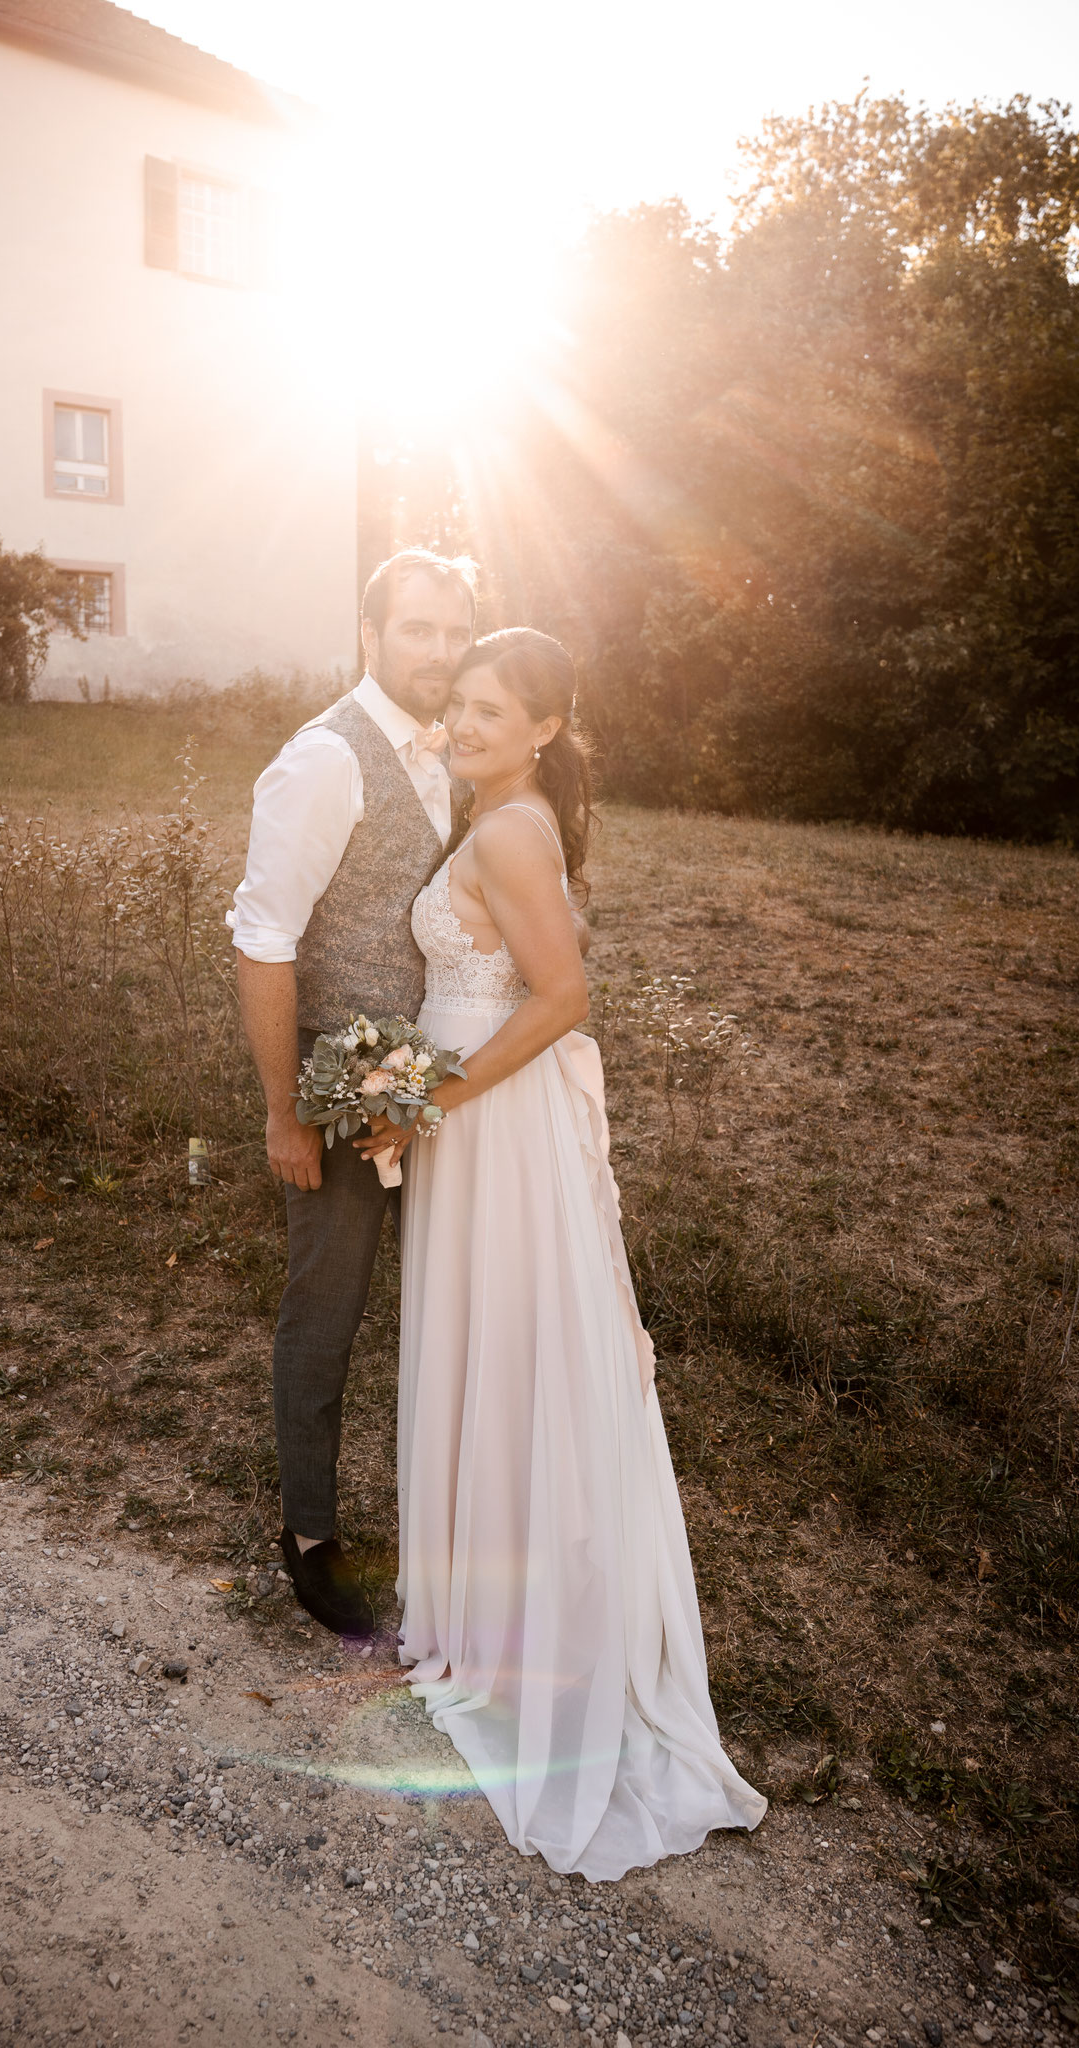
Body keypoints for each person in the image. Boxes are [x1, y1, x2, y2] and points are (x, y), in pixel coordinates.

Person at [359, 627, 767, 1879]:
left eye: (493, 707)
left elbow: (561, 998)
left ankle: (535, 1630)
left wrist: (430, 1095)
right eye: (459, 701)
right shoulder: (496, 816)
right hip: (470, 1121)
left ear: (541, 726)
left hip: (495, 1125)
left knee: (522, 1348)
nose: (466, 719)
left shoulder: (512, 829)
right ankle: (486, 1610)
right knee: (493, 1342)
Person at [228, 549, 477, 1637]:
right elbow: (263, 938)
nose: (438, 650)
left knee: (458, 1297)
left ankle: (457, 1522)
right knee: (326, 1311)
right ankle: (313, 1535)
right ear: (373, 631)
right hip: (341, 1079)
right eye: (417, 628)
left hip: (442, 1080)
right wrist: (286, 1108)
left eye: (455, 631)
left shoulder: (462, 747)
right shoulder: (325, 759)